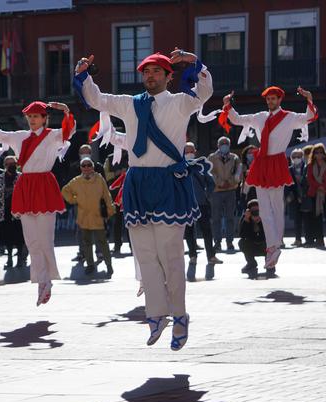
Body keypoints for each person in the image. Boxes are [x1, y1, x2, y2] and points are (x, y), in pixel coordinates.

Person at [74, 49, 212, 350]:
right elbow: (97, 99)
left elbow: (205, 91)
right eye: (146, 72)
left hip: (168, 182)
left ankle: (180, 316)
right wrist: (83, 73)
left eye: (156, 72)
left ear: (168, 76)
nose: (149, 76)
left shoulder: (180, 103)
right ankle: (156, 314)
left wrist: (193, 60)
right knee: (146, 256)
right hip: (138, 183)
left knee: (171, 256)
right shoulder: (129, 104)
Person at [0, 100, 75, 305]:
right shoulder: (20, 137)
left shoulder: (52, 135)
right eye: (29, 117)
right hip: (25, 186)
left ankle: (48, 280)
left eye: (36, 116)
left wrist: (67, 112)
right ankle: (41, 281)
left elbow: (68, 132)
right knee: (32, 240)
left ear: (44, 118)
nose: (32, 120)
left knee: (45, 240)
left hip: (43, 185)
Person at [223, 86, 317, 269]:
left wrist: (309, 98)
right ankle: (272, 247)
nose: (270, 101)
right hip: (261, 163)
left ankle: (275, 245)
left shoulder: (289, 117)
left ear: (280, 100)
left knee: (277, 207)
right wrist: (227, 104)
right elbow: (237, 119)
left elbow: (310, 117)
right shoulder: (259, 117)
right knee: (265, 210)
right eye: (268, 99)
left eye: (274, 98)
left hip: (277, 162)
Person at [61, 157, 116, 276]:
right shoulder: (76, 181)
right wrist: (74, 200)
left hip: (97, 216)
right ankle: (90, 264)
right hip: (83, 216)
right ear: (81, 168)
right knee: (86, 242)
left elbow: (106, 195)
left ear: (93, 166)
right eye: (84, 165)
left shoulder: (99, 179)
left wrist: (110, 209)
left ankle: (109, 265)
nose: (86, 168)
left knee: (102, 242)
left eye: (89, 165)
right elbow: (65, 191)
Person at [183, 142, 221, 265]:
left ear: (195, 151)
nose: (189, 154)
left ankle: (211, 256)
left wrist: (206, 195)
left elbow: (211, 183)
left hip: (201, 203)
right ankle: (192, 255)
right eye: (186, 151)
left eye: (191, 151)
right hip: (186, 204)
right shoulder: (179, 166)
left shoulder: (200, 166)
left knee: (207, 230)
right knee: (189, 231)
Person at [0, 156, 27, 269]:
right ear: (4, 165)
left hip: (20, 212)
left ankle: (20, 258)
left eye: (13, 163)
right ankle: (9, 258)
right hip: (4, 211)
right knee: (7, 236)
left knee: (19, 236)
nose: (11, 166)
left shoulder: (22, 177)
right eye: (8, 164)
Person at [207, 136, 241, 251]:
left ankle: (230, 241)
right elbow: (209, 173)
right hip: (216, 191)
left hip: (230, 190)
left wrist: (230, 183)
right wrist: (220, 183)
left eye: (226, 143)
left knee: (230, 217)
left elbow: (238, 173)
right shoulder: (212, 158)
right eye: (222, 143)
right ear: (218, 145)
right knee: (216, 217)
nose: (224, 145)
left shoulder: (234, 158)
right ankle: (217, 241)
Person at [306, 143, 326, 248]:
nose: (319, 155)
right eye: (316, 152)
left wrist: (324, 186)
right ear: (313, 154)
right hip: (315, 193)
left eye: (321, 152)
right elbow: (309, 179)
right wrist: (318, 187)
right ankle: (319, 238)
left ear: (324, 154)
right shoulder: (310, 165)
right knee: (316, 217)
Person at [238, 199, 274, 279]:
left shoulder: (266, 217)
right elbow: (242, 235)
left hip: (264, 246)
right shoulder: (245, 217)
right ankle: (251, 263)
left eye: (257, 210)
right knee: (242, 242)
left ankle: (269, 263)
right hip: (252, 245)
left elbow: (270, 234)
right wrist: (247, 220)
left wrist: (261, 222)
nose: (255, 212)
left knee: (272, 242)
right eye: (253, 210)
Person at [286, 149, 309, 246]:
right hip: (294, 197)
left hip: (306, 195)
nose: (296, 159)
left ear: (302, 157)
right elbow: (288, 184)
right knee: (297, 219)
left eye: (299, 156)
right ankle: (298, 239)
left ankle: (308, 239)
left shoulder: (307, 167)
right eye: (294, 157)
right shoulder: (289, 169)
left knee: (307, 218)